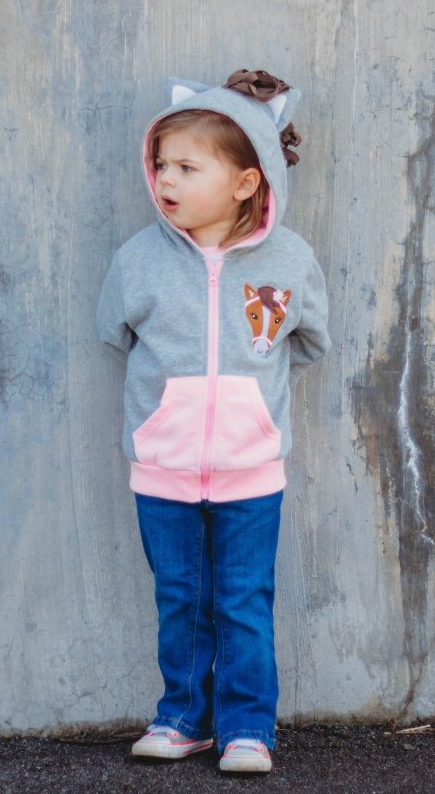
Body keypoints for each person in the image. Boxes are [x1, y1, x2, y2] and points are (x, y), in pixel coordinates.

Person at [96, 69, 330, 774]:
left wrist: (247, 401)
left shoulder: (288, 261)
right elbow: (115, 332)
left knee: (243, 601)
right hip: (163, 467)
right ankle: (181, 719)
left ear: (245, 183)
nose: (165, 178)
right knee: (181, 601)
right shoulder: (140, 259)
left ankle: (248, 728)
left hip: (250, 470)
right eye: (160, 164)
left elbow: (311, 340)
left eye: (187, 167)